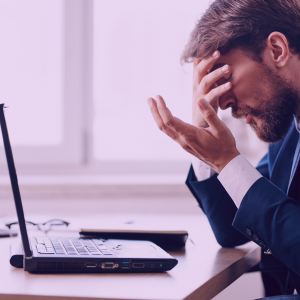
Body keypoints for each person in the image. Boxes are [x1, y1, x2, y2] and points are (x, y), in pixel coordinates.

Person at [147, 0, 300, 297]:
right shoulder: (288, 134)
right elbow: (232, 231)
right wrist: (209, 152)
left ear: (277, 50)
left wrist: (228, 161)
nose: (224, 103)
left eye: (225, 77)